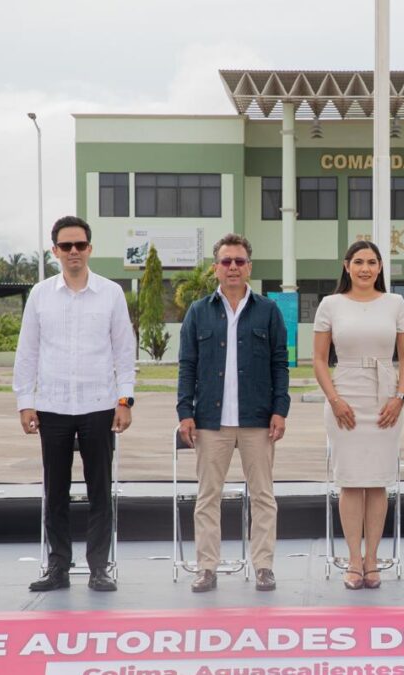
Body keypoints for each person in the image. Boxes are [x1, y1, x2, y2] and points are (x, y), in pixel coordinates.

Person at [14, 215, 135, 593]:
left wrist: (125, 400)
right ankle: (58, 567)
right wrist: (25, 401)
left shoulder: (111, 293)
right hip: (52, 406)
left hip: (100, 404)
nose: (73, 252)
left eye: (80, 245)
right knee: (56, 492)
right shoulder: (40, 295)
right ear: (55, 251)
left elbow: (124, 351)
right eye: (66, 246)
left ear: (90, 248)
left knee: (100, 490)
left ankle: (99, 568)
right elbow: (27, 351)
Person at [177, 233, 290, 593]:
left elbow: (280, 363)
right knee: (208, 497)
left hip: (258, 419)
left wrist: (280, 409)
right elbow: (187, 365)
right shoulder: (198, 312)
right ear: (216, 268)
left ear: (249, 267)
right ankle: (206, 568)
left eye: (239, 261)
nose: (233, 267)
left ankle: (264, 567)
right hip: (211, 422)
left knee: (263, 496)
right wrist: (185, 412)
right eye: (226, 261)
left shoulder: (268, 311)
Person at [313, 241, 404, 590]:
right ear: (347, 266)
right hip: (345, 396)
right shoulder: (330, 305)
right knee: (351, 481)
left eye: (372, 262)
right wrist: (335, 400)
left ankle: (372, 560)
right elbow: (319, 359)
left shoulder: (395, 303)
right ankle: (354, 560)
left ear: (380, 267)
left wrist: (399, 397)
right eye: (358, 262)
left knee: (377, 481)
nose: (365, 268)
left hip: (385, 398)